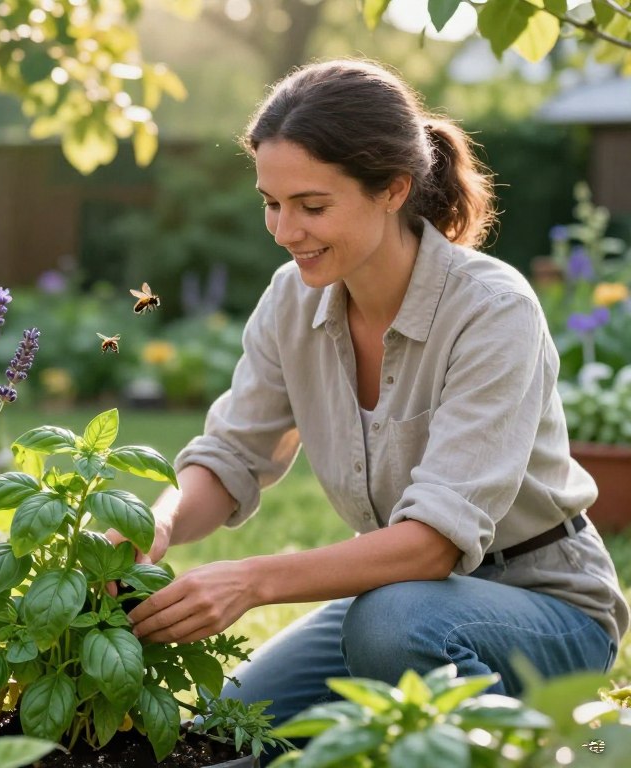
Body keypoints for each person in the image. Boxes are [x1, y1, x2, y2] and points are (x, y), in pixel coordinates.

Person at [110, 59, 628, 726]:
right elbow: (231, 455)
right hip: (404, 595)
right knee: (231, 729)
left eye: (312, 206)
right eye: (272, 203)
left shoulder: (492, 310)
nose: (285, 231)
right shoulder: (291, 301)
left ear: (393, 189)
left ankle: (536, 749)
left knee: (389, 626)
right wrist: (156, 522)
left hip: (546, 606)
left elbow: (433, 544)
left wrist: (251, 580)